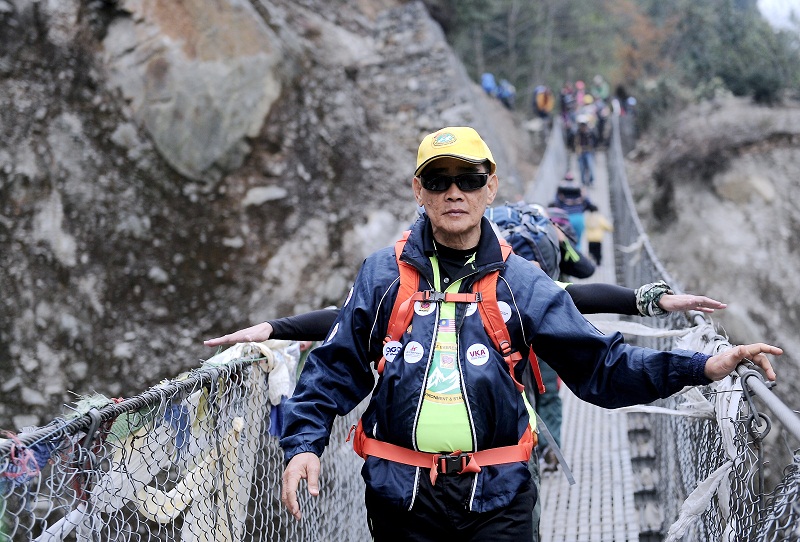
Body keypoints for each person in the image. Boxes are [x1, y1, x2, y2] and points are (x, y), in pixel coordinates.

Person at [207, 127, 780, 541]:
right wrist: (302, 445)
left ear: (490, 187)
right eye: (439, 179)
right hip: (399, 495)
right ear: (419, 189)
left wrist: (701, 366)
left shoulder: (522, 282)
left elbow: (600, 368)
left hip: (499, 496)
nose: (454, 191)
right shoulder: (383, 275)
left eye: (468, 178)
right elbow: (336, 365)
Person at [550, 172, 596, 247]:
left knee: (566, 242)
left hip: (564, 218)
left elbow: (556, 203)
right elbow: (588, 202)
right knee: (578, 241)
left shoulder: (561, 189)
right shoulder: (580, 189)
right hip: (579, 217)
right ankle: (578, 257)